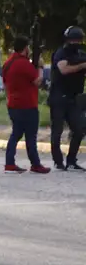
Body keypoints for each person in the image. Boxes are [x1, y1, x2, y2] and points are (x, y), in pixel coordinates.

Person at [2, 36, 49, 173]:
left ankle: (9, 162)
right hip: (27, 104)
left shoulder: (8, 63)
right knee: (30, 136)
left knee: (16, 133)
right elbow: (37, 81)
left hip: (13, 103)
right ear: (25, 48)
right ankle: (35, 163)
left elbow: (5, 83)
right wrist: (40, 67)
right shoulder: (23, 63)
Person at [48, 26, 86, 170]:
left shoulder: (81, 54)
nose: (75, 42)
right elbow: (64, 69)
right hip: (58, 97)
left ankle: (71, 160)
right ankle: (58, 162)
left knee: (79, 129)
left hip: (74, 98)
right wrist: (82, 66)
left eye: (78, 40)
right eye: (73, 39)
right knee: (57, 131)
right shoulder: (61, 53)